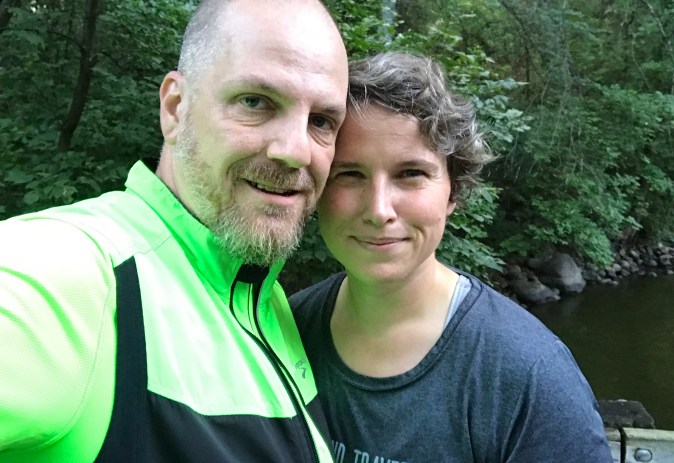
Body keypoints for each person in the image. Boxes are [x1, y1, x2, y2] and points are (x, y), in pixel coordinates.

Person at [0, 0, 348, 461]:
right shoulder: (77, 277)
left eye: (321, 122)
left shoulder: (269, 303)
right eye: (255, 102)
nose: (296, 151)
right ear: (175, 108)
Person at [290, 51, 613, 463]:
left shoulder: (527, 374)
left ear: (453, 192)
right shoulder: (285, 331)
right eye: (349, 174)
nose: (379, 209)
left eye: (411, 173)